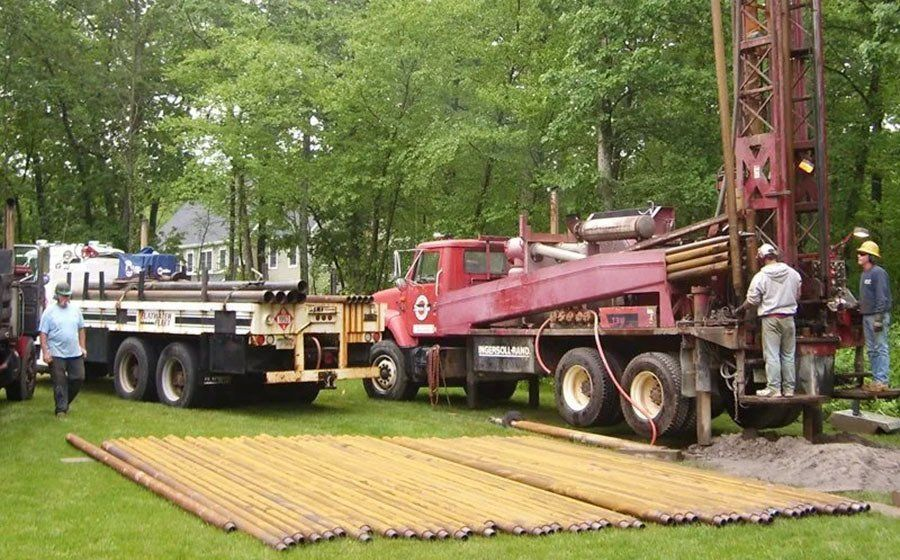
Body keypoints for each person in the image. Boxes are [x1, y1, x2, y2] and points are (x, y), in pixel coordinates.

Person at [736, 244, 802, 397]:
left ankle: (774, 389)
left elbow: (752, 300)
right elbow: (798, 295)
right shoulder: (793, 274)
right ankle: (789, 389)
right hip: (789, 319)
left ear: (762, 258)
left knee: (772, 354)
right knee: (788, 355)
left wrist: (740, 309)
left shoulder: (761, 277)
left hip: (771, 319)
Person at [39, 282, 86, 417]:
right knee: (59, 381)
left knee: (79, 378)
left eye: (67, 296)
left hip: (74, 352)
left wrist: (83, 347)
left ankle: (64, 402)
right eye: (63, 296)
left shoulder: (75, 310)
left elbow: (81, 329)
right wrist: (45, 352)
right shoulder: (49, 312)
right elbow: (43, 333)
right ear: (57, 296)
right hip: (56, 353)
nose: (66, 298)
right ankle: (61, 410)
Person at [856, 241, 892, 391]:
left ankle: (882, 380)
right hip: (866, 316)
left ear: (870, 257)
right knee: (871, 349)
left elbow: (882, 297)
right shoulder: (864, 274)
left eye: (862, 254)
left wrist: (878, 318)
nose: (859, 256)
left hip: (877, 316)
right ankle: (877, 379)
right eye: (859, 253)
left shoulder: (878, 273)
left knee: (880, 347)